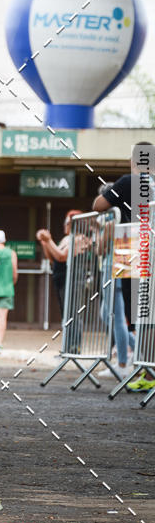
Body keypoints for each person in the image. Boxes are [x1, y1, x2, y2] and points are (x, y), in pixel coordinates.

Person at [93, 143, 155, 391]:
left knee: (141, 317)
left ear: (133, 161)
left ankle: (147, 373)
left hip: (137, 252)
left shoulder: (130, 180)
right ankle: (146, 371)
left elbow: (99, 205)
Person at [36, 210, 83, 317]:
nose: (64, 225)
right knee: (64, 312)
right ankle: (68, 333)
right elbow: (53, 258)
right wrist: (44, 243)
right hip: (61, 279)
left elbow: (61, 257)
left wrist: (49, 240)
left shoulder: (79, 239)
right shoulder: (66, 239)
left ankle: (73, 334)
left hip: (71, 280)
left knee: (71, 313)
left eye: (67, 222)